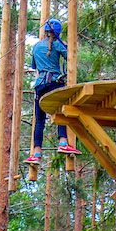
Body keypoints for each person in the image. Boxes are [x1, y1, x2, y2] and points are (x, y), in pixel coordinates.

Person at [24, 18, 81, 164]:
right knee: (62, 110)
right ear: (57, 33)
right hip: (54, 83)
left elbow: (34, 66)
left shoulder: (36, 47)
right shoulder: (57, 45)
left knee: (39, 120)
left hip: (40, 86)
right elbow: (70, 56)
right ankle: (63, 142)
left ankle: (36, 153)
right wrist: (67, 45)